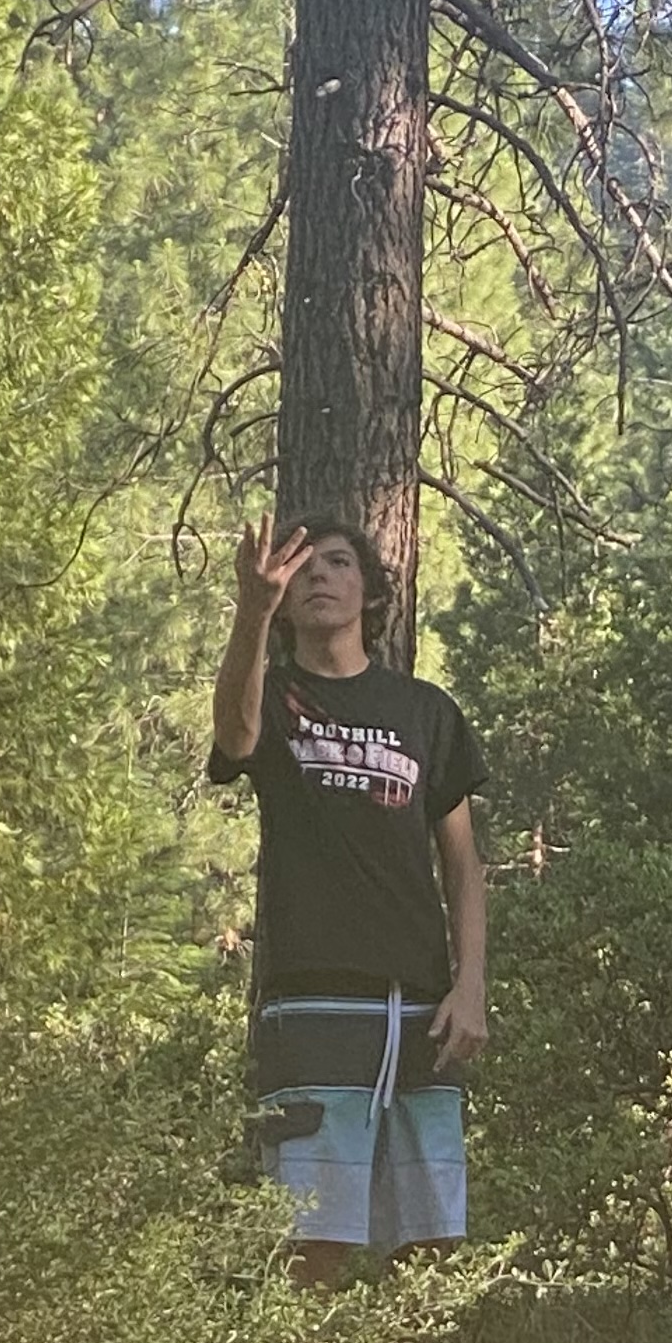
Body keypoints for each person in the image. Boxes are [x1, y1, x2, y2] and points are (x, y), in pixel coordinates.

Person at [209, 517, 488, 1286]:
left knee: (429, 1247)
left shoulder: (427, 712)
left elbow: (462, 862)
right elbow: (233, 736)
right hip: (313, 1005)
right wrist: (251, 611)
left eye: (337, 564)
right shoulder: (274, 696)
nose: (318, 578)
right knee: (312, 1238)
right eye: (302, 570)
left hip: (422, 1008)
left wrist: (470, 985)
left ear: (370, 594)